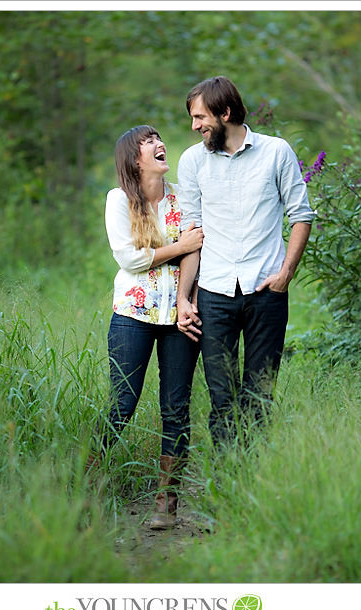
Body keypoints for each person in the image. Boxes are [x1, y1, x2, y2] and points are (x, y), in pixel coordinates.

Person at [176, 76, 315, 447]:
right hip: (214, 292)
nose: (195, 126)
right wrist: (184, 298)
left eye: (200, 117)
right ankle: (225, 484)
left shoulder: (276, 152)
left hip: (266, 290)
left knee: (259, 396)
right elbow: (193, 235)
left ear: (225, 112)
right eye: (193, 118)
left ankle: (252, 481)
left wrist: (286, 273)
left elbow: (301, 215)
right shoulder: (192, 161)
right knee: (222, 399)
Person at [97, 125, 204, 529]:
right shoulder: (119, 200)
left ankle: (167, 501)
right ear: (133, 157)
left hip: (180, 317)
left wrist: (185, 300)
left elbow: (199, 247)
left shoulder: (184, 196)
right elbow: (131, 260)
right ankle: (88, 483)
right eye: (148, 141)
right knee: (122, 404)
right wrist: (179, 248)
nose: (159, 143)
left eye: (158, 137)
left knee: (175, 407)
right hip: (132, 315)